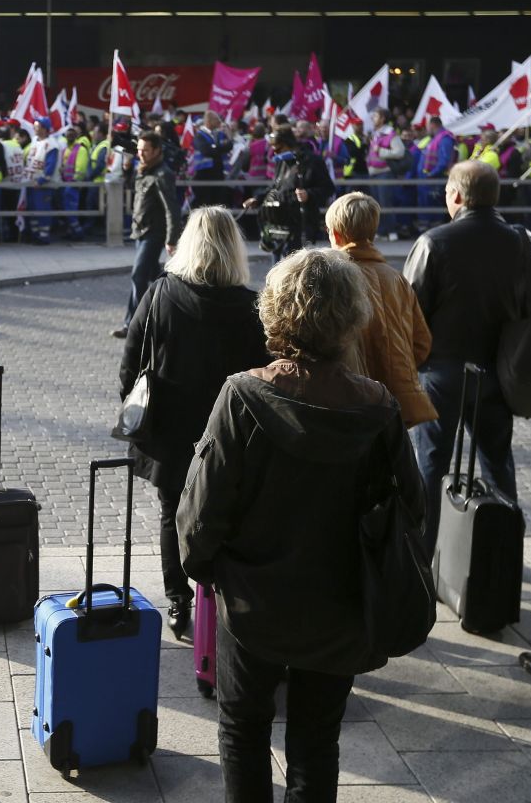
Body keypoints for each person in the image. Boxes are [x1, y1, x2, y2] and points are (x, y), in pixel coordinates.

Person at [177, 247, 425, 803]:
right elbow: (411, 507)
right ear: (350, 317)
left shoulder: (244, 396)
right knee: (317, 739)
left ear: (276, 313)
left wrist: (208, 571)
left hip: (253, 600)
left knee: (243, 727)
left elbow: (201, 511)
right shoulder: (378, 406)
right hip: (342, 601)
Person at [118, 207, 267, 639]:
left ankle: (178, 600)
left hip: (170, 428)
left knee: (172, 512)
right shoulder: (251, 306)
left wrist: (134, 404)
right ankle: (221, 598)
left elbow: (130, 362)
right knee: (227, 513)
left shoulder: (160, 293)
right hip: (229, 432)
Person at [403, 160, 531, 555]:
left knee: (430, 467)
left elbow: (409, 314)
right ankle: (503, 560)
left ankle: (421, 560)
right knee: (498, 463)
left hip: (442, 370)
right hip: (500, 369)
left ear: (455, 195)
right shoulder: (523, 242)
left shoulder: (433, 242)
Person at [326, 192, 436, 427]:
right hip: (396, 399)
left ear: (335, 234)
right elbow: (421, 342)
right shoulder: (396, 279)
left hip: (348, 398)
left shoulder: (330, 279)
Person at [112, 131, 182, 338]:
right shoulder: (144, 169)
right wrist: (126, 169)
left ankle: (133, 325)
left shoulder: (162, 174)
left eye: (145, 150)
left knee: (138, 275)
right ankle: (171, 315)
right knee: (155, 278)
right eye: (139, 150)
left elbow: (172, 209)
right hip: (140, 231)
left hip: (154, 232)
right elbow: (134, 189)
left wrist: (171, 239)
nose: (140, 154)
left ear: (157, 151)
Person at [242, 127, 334, 260]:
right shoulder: (282, 161)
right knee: (276, 264)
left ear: (288, 143)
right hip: (278, 223)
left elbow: (328, 188)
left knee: (294, 264)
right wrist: (258, 199)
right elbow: (276, 186)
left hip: (299, 224)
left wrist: (309, 194)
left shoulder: (312, 161)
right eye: (273, 149)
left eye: (278, 148)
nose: (275, 152)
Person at [366, 108, 405, 238]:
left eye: (376, 116)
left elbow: (400, 152)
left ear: (383, 119)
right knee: (376, 204)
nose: (373, 118)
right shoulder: (376, 134)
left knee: (385, 203)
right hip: (374, 174)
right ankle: (381, 231)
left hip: (384, 173)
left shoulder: (390, 133)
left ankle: (392, 231)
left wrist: (381, 151)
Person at [22, 117, 59, 245]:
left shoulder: (52, 145)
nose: (34, 129)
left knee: (42, 209)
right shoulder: (34, 141)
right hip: (31, 182)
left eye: (37, 126)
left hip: (43, 185)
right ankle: (35, 234)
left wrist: (42, 180)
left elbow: (50, 166)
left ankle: (43, 236)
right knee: (32, 209)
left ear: (44, 128)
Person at [190, 110, 232, 208]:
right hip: (204, 175)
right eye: (216, 119)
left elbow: (229, 146)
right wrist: (219, 148)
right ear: (209, 121)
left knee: (217, 204)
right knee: (205, 204)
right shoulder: (199, 135)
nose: (219, 122)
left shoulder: (218, 134)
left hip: (218, 174)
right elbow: (206, 151)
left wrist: (215, 147)